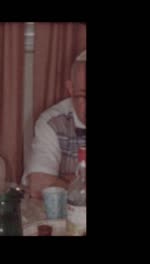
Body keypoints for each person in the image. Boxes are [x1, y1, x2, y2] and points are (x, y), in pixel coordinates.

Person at [22, 50, 86, 199]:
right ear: (70, 89)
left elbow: (50, 184)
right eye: (84, 95)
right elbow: (39, 186)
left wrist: (64, 181)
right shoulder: (52, 122)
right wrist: (80, 186)